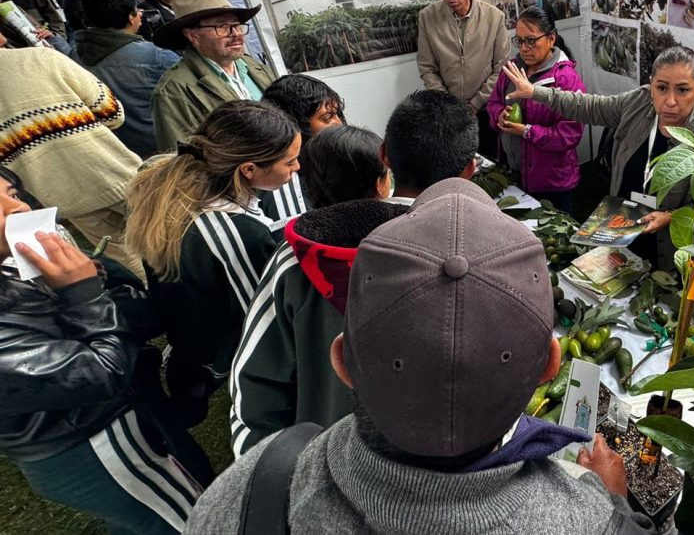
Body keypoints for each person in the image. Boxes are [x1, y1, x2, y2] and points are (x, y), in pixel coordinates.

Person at [188, 176, 653, 535]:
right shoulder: (589, 519)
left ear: (343, 362)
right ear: (549, 367)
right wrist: (613, 503)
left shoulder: (254, 489)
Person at [229, 90, 480, 456]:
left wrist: (271, 472)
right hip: (440, 465)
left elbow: (253, 384)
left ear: (386, 158)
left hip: (326, 459)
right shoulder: (473, 250)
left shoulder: (295, 260)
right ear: (471, 169)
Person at [0, 166, 206, 534]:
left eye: (12, 194)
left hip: (119, 422)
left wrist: (98, 279)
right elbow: (102, 372)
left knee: (154, 514)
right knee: (195, 520)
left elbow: (143, 317)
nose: (17, 209)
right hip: (93, 444)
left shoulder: (15, 270)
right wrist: (84, 293)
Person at [126, 100, 301, 426]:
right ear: (248, 170)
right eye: (290, 162)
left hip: (187, 329)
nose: (297, 169)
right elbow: (259, 316)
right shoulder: (233, 233)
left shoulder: (174, 183)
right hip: (218, 349)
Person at [504, 45, 694, 269]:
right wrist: (535, 92)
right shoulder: (640, 102)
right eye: (662, 88)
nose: (670, 101)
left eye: (683, 90)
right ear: (651, 85)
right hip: (622, 221)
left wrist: (671, 217)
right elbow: (589, 106)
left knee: (661, 298)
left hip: (671, 246)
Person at [0, 44, 145, 278]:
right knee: (178, 240)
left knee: (130, 262)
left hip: (66, 196)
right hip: (116, 173)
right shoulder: (41, 57)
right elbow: (112, 112)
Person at [150, 0, 279, 152]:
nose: (236, 34)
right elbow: (183, 160)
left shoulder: (253, 66)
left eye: (237, 25)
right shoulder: (173, 91)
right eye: (223, 26)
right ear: (192, 35)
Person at [70, 0, 181, 159]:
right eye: (137, 10)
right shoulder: (156, 57)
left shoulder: (73, 56)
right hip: (164, 151)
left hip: (118, 153)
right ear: (131, 17)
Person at [487, 7, 583, 212]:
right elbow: (494, 103)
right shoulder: (512, 70)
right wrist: (499, 116)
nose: (524, 48)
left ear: (551, 39)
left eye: (531, 40)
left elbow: (569, 134)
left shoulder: (565, 79)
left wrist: (526, 131)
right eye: (519, 41)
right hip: (515, 171)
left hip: (551, 181)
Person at [417, 0, 509, 159]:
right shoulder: (427, 17)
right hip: (447, 113)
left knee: (491, 167)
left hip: (487, 110)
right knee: (455, 166)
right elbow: (427, 67)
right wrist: (448, 105)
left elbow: (501, 68)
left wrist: (475, 104)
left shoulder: (494, 17)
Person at [258, 73, 346, 221]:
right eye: (327, 118)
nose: (339, 124)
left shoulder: (328, 160)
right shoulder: (283, 183)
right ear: (295, 124)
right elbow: (300, 241)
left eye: (337, 115)